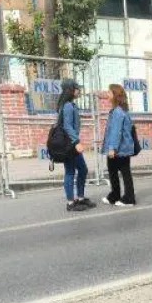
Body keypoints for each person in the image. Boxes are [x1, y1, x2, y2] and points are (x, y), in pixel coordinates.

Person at [59, 79, 96, 212]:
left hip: (71, 143)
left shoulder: (69, 105)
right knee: (70, 172)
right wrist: (76, 142)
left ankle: (80, 198)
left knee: (83, 169)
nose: (79, 90)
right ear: (70, 90)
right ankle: (70, 203)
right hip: (69, 144)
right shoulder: (68, 106)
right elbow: (67, 126)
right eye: (77, 88)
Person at [101, 84, 136, 207]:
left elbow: (116, 131)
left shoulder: (117, 112)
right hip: (121, 147)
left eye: (109, 92)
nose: (107, 94)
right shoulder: (120, 110)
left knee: (120, 172)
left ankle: (128, 198)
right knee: (116, 171)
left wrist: (112, 148)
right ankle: (115, 195)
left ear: (115, 95)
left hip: (120, 148)